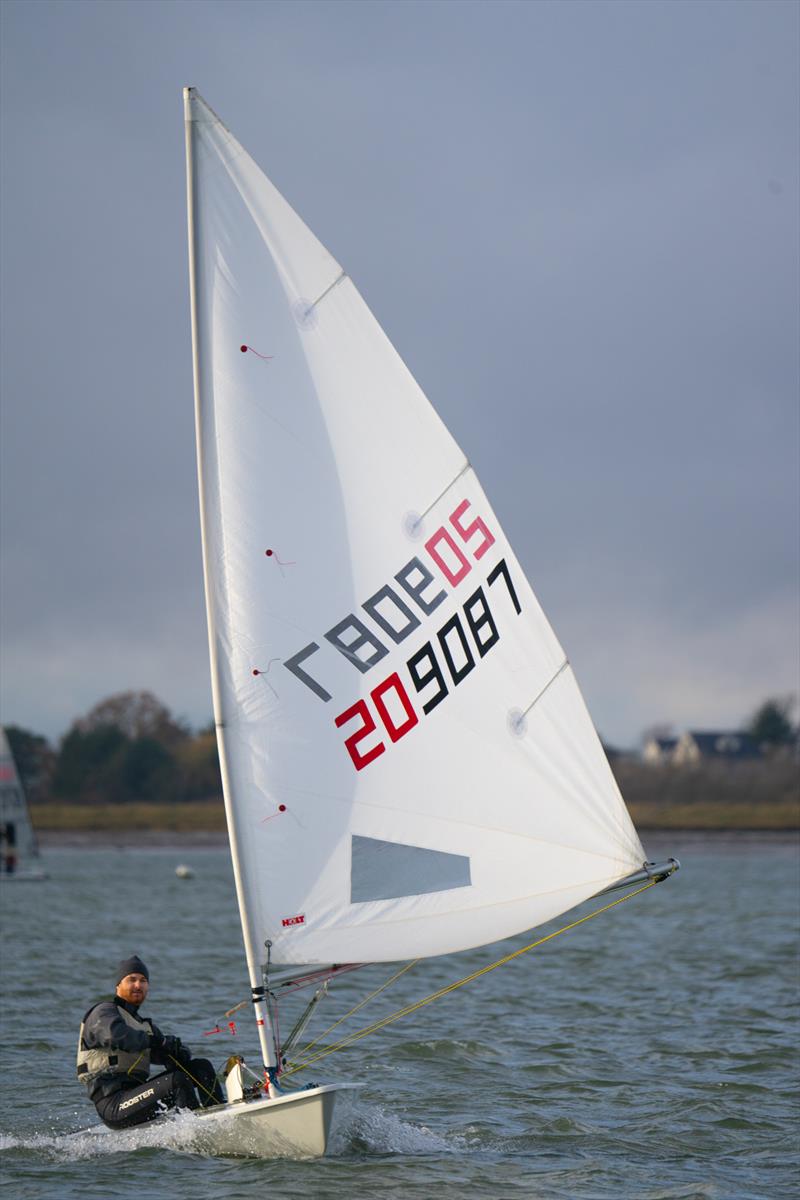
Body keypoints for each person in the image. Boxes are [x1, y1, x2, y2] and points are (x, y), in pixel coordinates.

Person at [77, 954, 224, 1129]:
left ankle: (220, 1116)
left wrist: (176, 1050)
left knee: (201, 1067)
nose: (138, 985)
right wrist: (156, 1041)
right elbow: (116, 1035)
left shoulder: (144, 1025)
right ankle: (192, 1131)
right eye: (131, 979)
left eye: (143, 980)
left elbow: (168, 1056)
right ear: (118, 985)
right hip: (113, 1104)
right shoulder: (104, 1012)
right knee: (176, 1081)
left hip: (137, 1096)